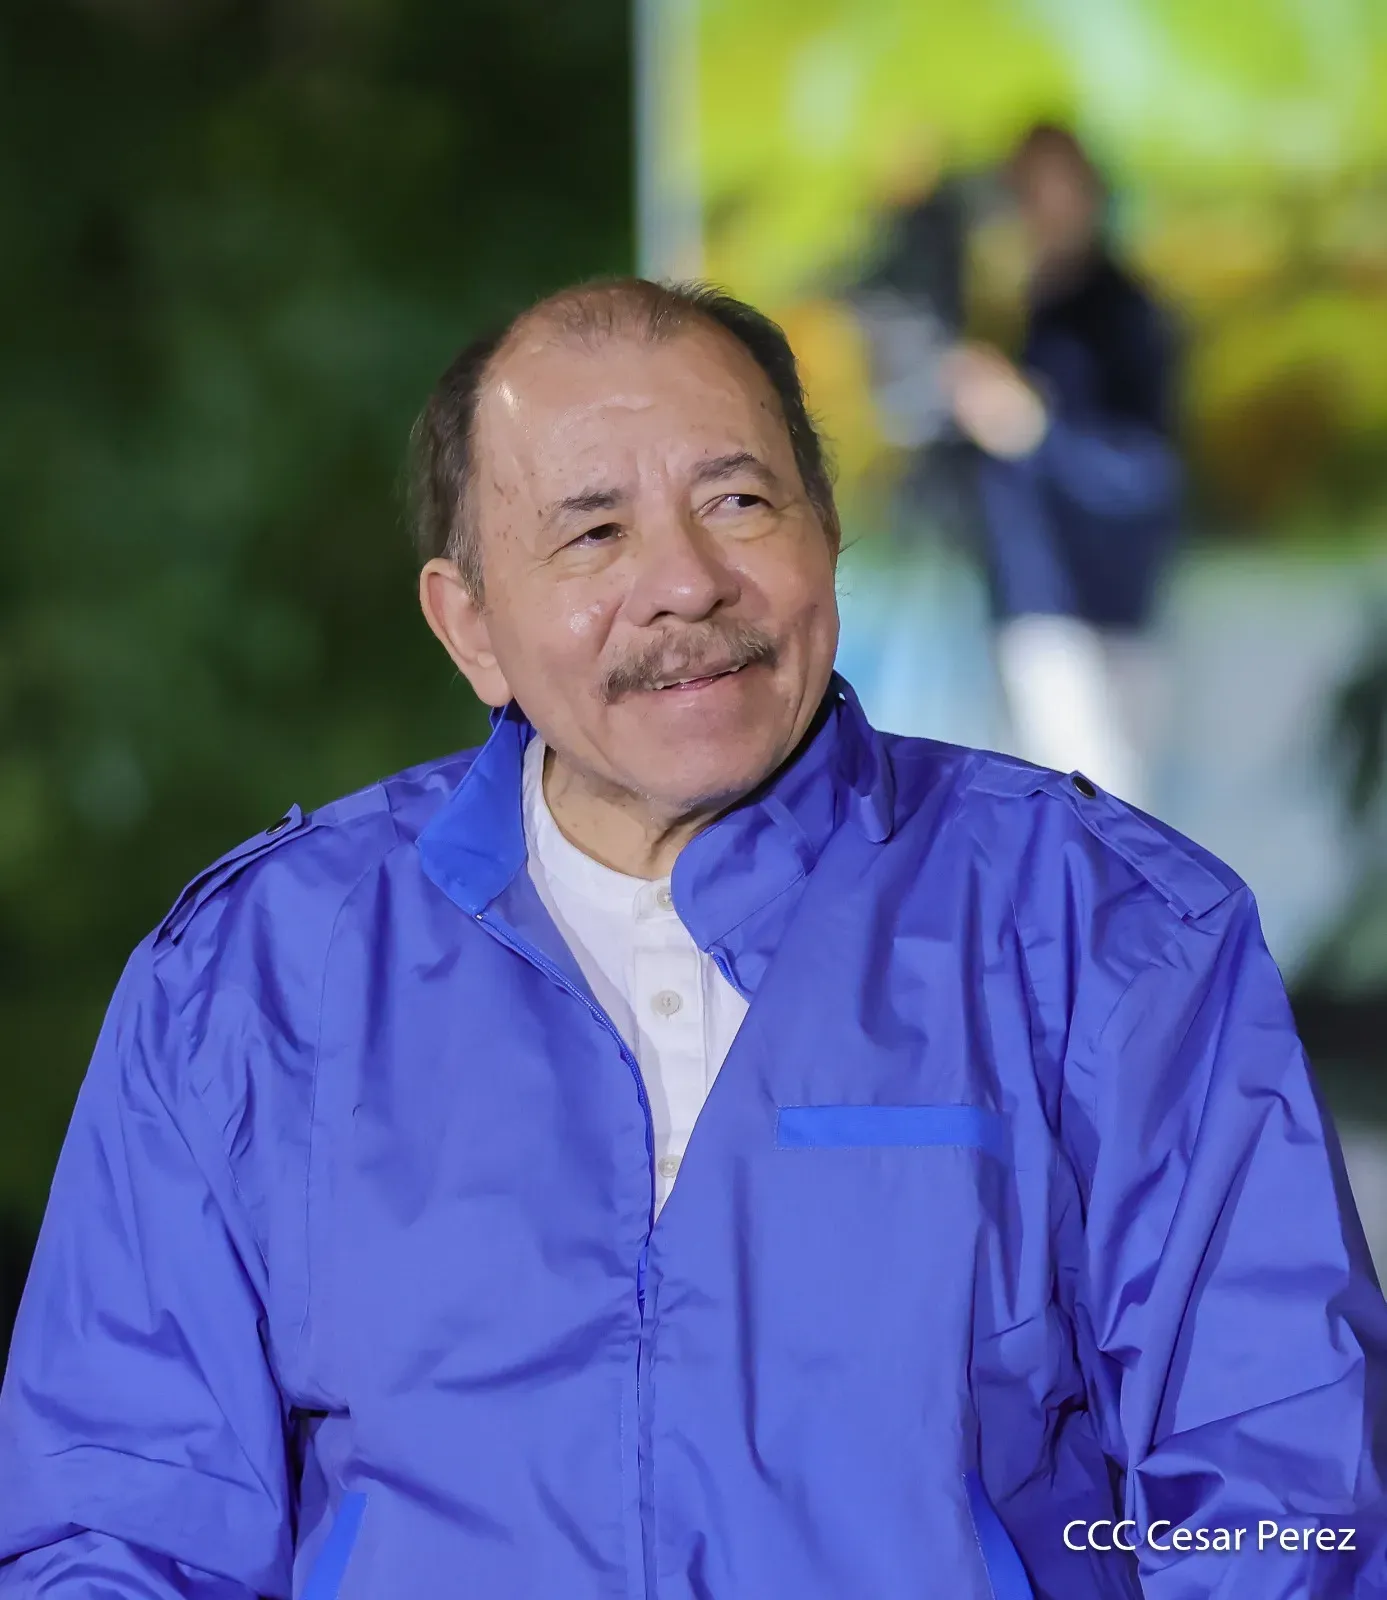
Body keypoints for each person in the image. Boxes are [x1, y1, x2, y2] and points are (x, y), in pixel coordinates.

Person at [0, 279, 1383, 1600]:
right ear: (469, 627)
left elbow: (1281, 1498)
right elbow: (117, 1530)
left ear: (825, 536)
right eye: (592, 534)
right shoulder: (252, 988)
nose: (684, 584)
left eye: (736, 501)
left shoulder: (1108, 935)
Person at [945, 124, 1182, 807]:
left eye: (1053, 188)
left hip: (1097, 608)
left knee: (1102, 826)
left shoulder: (1127, 314)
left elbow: (1146, 471)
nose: (1038, 208)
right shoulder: (1012, 309)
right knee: (1036, 827)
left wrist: (1036, 427)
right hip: (1023, 599)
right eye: (1024, 192)